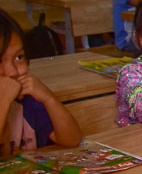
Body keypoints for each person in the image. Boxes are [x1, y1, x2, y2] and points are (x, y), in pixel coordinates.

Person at [0, 9, 82, 156]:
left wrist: (48, 98)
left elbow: (72, 140)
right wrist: (3, 102)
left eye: (19, 57)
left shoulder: (27, 102)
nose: (12, 71)